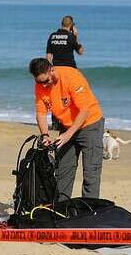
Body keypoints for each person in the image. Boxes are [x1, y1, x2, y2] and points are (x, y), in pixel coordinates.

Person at [29, 58, 104, 200]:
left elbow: (84, 110)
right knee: (63, 170)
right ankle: (61, 209)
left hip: (90, 124)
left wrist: (68, 135)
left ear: (52, 70)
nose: (43, 85)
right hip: (67, 126)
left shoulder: (72, 76)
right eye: (39, 82)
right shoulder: (40, 84)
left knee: (91, 172)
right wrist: (45, 134)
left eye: (46, 81)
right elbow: (41, 112)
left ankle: (89, 210)